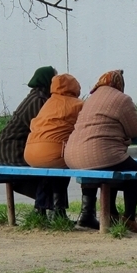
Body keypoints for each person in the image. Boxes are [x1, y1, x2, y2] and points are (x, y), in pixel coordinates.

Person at [64, 69, 137, 233]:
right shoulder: (122, 99)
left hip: (72, 155)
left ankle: (112, 214)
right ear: (119, 84)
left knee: (111, 166)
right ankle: (129, 218)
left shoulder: (90, 100)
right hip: (99, 154)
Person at [0, 66, 57, 215]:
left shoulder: (38, 97)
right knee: (49, 164)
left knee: (50, 165)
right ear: (48, 81)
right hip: (11, 151)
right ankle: (45, 211)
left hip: (13, 149)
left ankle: (46, 210)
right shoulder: (39, 101)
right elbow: (45, 130)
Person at [23, 73, 83, 219]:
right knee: (65, 164)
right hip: (54, 153)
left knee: (47, 169)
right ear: (75, 87)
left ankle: (40, 210)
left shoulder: (47, 103)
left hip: (30, 153)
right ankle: (59, 210)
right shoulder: (78, 105)